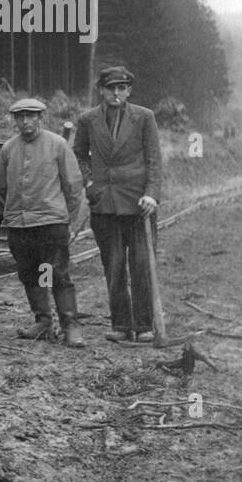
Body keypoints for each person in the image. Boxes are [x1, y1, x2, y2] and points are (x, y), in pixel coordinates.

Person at [72, 67, 163, 344]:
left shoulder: (144, 117)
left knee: (141, 265)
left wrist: (151, 194)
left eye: (122, 88)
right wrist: (89, 184)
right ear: (101, 90)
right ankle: (121, 324)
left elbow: (154, 160)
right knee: (113, 266)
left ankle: (144, 325)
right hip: (104, 203)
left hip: (139, 204)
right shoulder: (88, 119)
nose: (116, 93)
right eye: (111, 88)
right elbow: (79, 154)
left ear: (129, 91)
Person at [0, 98, 86, 346]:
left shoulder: (57, 145)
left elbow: (73, 186)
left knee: (56, 273)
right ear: (15, 120)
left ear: (40, 117)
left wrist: (65, 219)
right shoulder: (8, 149)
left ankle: (70, 325)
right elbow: (3, 188)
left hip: (50, 224)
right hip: (19, 225)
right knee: (30, 273)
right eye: (20, 116)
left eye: (31, 116)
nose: (25, 121)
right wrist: (14, 213)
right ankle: (43, 322)